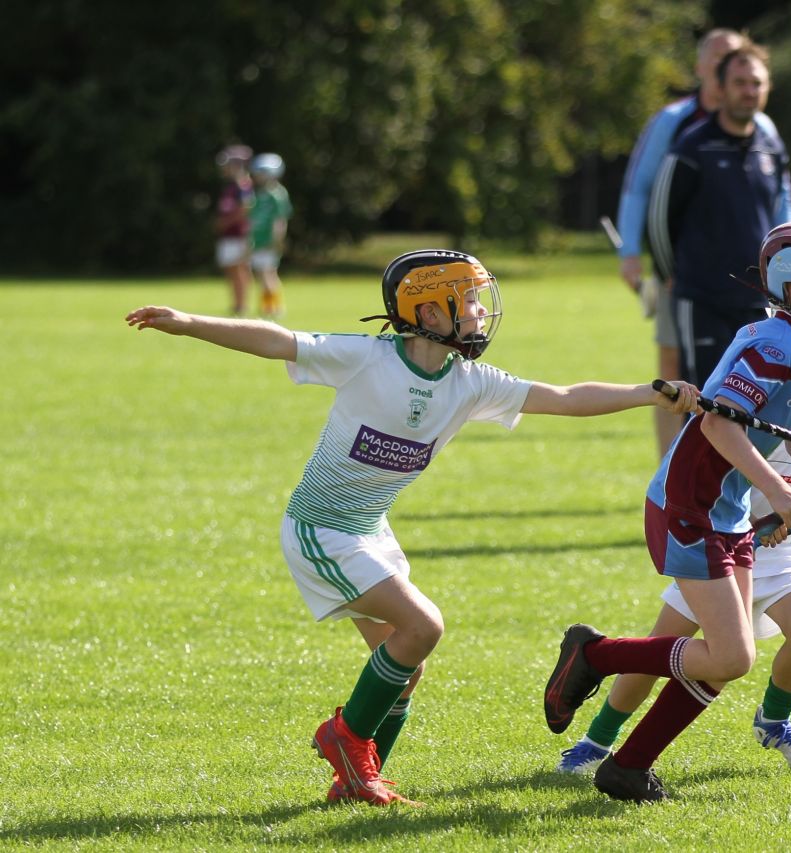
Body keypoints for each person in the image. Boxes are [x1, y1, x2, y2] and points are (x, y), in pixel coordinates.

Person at [124, 249, 699, 807]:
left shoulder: (469, 380)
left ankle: (358, 781)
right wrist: (188, 323)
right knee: (423, 626)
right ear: (427, 312)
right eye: (469, 301)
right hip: (321, 530)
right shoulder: (367, 357)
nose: (480, 312)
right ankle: (344, 740)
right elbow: (277, 339)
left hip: (369, 529)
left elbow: (566, 397)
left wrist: (646, 393)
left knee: (407, 667)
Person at [543, 222, 791, 803]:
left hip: (724, 511)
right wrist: (776, 491)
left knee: (724, 662)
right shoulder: (774, 345)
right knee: (731, 655)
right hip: (688, 507)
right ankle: (593, 653)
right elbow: (718, 422)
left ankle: (628, 767)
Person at [555, 333, 791, 777]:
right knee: (666, 652)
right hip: (727, 540)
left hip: (788, 556)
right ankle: (596, 740)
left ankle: (774, 721)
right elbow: (745, 460)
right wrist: (759, 523)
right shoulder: (779, 404)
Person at [615, 28, 755, 457]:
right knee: (674, 372)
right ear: (700, 68)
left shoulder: (758, 126)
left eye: (731, 58)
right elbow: (640, 186)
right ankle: (667, 471)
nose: (723, 67)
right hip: (680, 272)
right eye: (715, 60)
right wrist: (632, 253)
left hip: (740, 280)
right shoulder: (676, 120)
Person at [652, 42, 791, 390]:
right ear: (721, 88)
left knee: (758, 397)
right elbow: (659, 216)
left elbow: (780, 217)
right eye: (740, 82)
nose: (749, 91)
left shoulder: (771, 147)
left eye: (756, 83)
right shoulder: (692, 146)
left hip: (758, 300)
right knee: (704, 398)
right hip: (702, 298)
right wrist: (668, 272)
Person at [248, 153, 292, 320]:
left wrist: (276, 240)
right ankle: (267, 306)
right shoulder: (259, 195)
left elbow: (280, 221)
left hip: (269, 242)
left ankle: (275, 307)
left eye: (261, 172)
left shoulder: (278, 194)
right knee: (261, 274)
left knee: (268, 273)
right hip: (257, 242)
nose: (257, 176)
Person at [214, 145, 255, 317]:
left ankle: (241, 305)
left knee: (239, 270)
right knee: (231, 270)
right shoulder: (231, 186)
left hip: (239, 235)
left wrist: (226, 222)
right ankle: (236, 304)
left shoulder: (242, 185)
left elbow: (246, 208)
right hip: (229, 236)